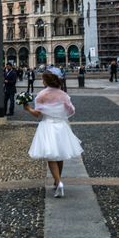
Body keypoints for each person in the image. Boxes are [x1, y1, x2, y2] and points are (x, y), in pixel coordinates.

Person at [23, 68, 83, 198]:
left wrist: (27, 108)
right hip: (61, 126)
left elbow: (37, 114)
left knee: (51, 156)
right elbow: (71, 110)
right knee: (59, 154)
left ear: (46, 81)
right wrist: (59, 113)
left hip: (48, 126)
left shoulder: (41, 96)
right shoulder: (63, 95)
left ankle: (59, 182)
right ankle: (57, 180)